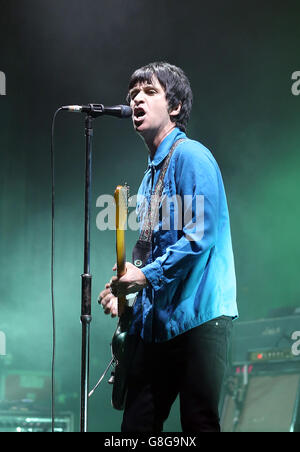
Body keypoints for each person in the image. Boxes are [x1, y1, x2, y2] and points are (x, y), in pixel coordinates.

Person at [98, 62, 238, 432]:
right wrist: (125, 291)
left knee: (199, 424)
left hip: (200, 320)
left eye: (149, 91)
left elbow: (200, 235)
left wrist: (144, 275)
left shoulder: (192, 157)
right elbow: (149, 256)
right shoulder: (149, 179)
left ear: (174, 106)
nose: (136, 100)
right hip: (160, 326)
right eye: (132, 95)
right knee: (135, 428)